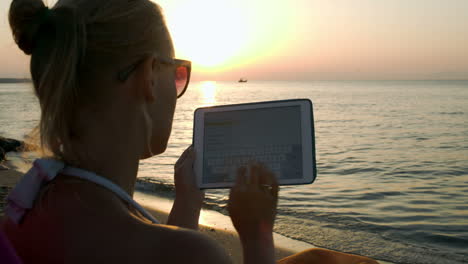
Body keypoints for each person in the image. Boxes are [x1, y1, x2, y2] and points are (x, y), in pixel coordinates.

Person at [1, 0, 379, 263]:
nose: (178, 86)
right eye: (177, 72)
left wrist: (186, 203)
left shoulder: (25, 208)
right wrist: (258, 235)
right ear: (150, 77)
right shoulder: (191, 255)